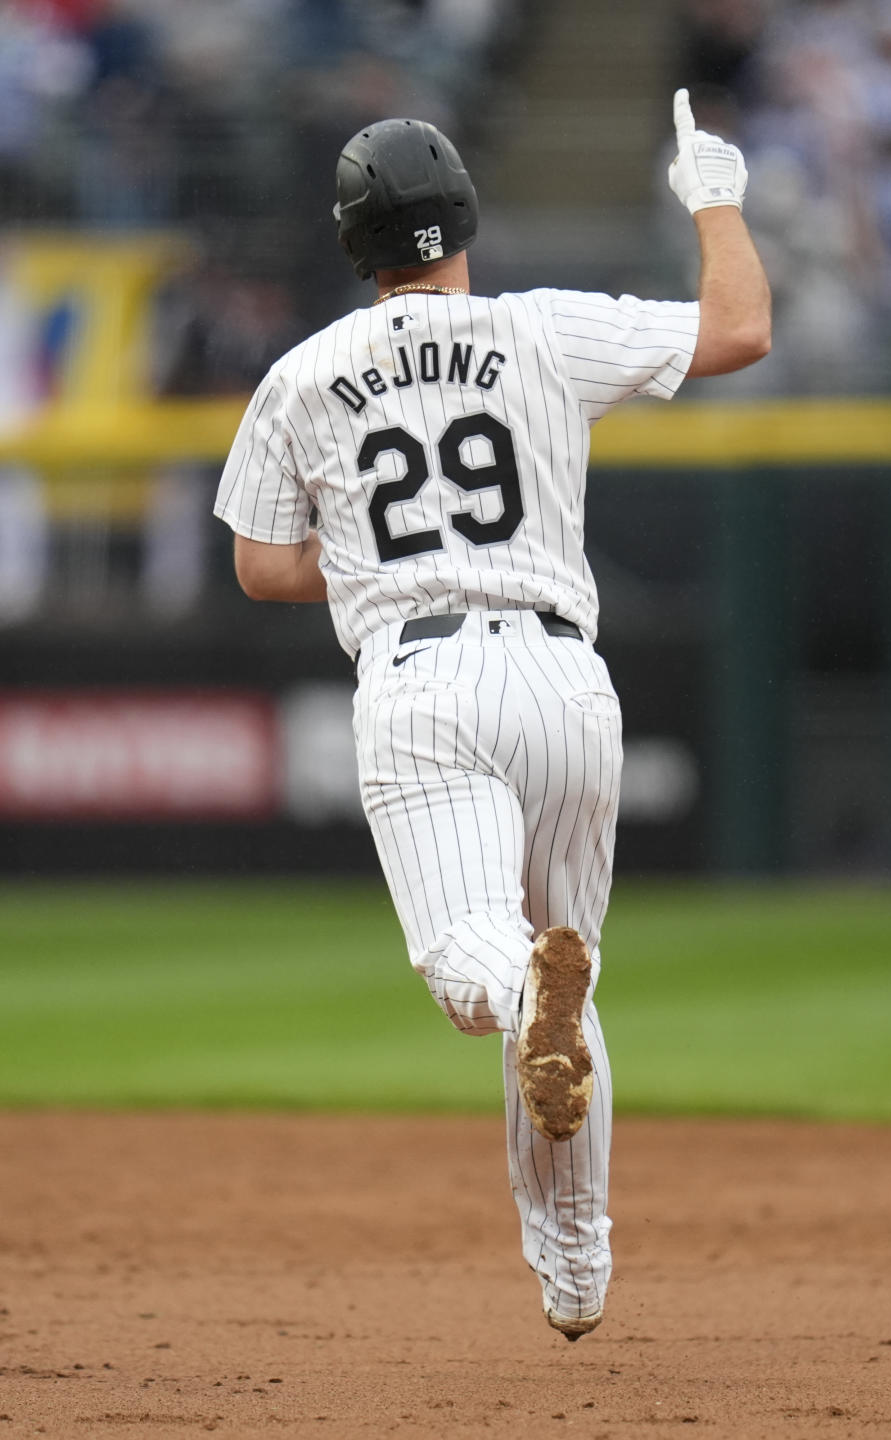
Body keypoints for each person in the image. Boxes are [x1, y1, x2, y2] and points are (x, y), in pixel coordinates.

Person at [213, 92, 771, 1340]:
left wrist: (365, 562)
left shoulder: (301, 375)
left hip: (421, 683)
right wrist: (716, 199)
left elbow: (260, 563)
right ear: (464, 219)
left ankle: (527, 991)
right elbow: (741, 331)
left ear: (354, 245)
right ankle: (575, 1282)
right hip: (568, 679)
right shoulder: (540, 330)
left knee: (481, 967)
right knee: (561, 980)